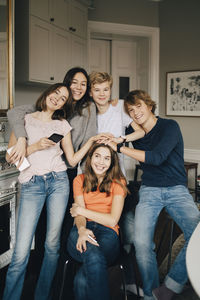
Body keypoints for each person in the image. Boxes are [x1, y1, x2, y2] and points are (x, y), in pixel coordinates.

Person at [3, 83, 105, 300]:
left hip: (59, 182)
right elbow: (10, 159)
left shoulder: (62, 124)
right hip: (32, 184)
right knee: (21, 252)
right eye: (56, 93)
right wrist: (35, 147)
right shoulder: (24, 119)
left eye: (63, 98)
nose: (57, 99)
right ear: (47, 93)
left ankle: (42, 296)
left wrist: (90, 141)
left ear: (64, 105)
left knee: (52, 245)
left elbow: (72, 160)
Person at [108, 89, 200, 300]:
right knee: (141, 243)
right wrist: (121, 138)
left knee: (197, 235)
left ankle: (171, 286)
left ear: (149, 105)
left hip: (176, 189)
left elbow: (157, 157)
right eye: (131, 110)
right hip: (149, 190)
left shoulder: (170, 126)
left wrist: (120, 147)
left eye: (139, 106)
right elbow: (127, 132)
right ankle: (151, 294)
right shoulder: (135, 135)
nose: (136, 112)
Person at [67, 142, 128, 300]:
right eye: (97, 156)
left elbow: (112, 220)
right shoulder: (79, 180)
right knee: (90, 261)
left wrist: (81, 210)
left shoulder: (119, 182)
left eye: (107, 158)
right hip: (81, 229)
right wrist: (81, 230)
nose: (101, 162)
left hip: (109, 233)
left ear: (112, 162)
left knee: (82, 280)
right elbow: (79, 217)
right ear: (90, 158)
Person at [89, 71, 145, 175]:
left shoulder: (120, 106)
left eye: (106, 89)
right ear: (90, 93)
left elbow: (141, 132)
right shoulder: (88, 113)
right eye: (97, 90)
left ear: (110, 91)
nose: (102, 94)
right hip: (93, 171)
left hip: (116, 171)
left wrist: (121, 139)